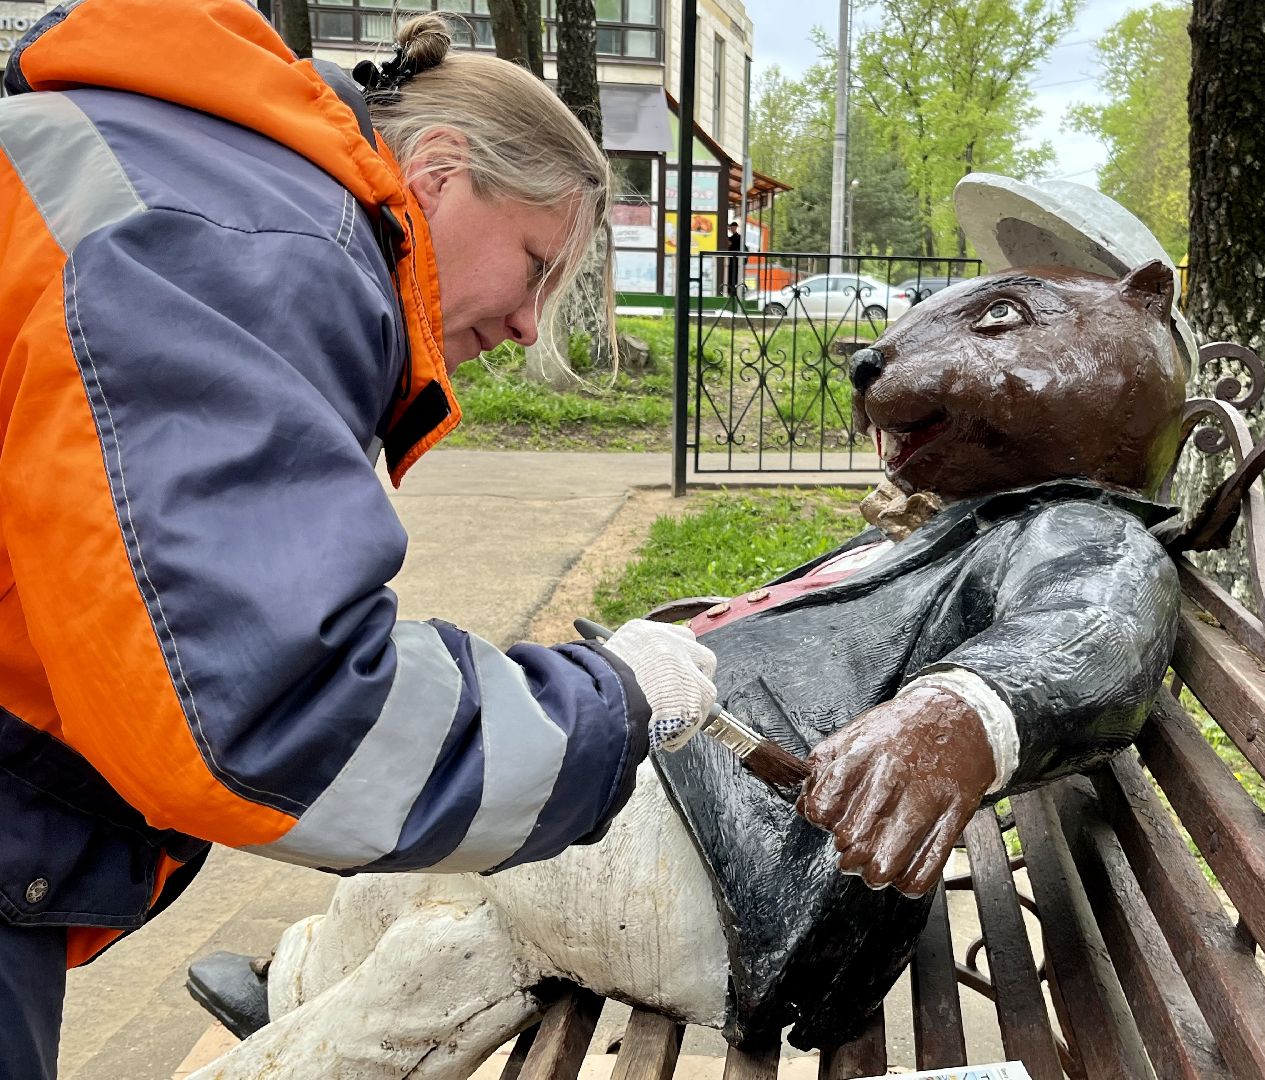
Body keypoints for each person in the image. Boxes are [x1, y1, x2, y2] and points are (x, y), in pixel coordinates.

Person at [181, 176, 1195, 1076]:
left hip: (751, 859)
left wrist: (963, 717)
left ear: (1141, 325)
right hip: (700, 799)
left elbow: (1092, 636)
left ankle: (295, 1035)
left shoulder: (1083, 532)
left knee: (483, 851)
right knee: (463, 867)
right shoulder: (976, 522)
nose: (880, 359)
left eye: (1003, 318)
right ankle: (303, 983)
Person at [0, 3, 718, 1077]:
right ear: (436, 169)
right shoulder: (256, 247)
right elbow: (269, 707)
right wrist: (615, 706)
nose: (528, 325)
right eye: (534, 265)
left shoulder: (197, 177)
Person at [722, 219, 744, 296]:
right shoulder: (734, 238)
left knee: (733, 276)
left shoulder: (736, 238)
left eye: (733, 227)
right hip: (734, 260)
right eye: (731, 228)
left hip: (734, 260)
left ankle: (732, 291)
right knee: (732, 276)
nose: (731, 229)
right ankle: (732, 291)